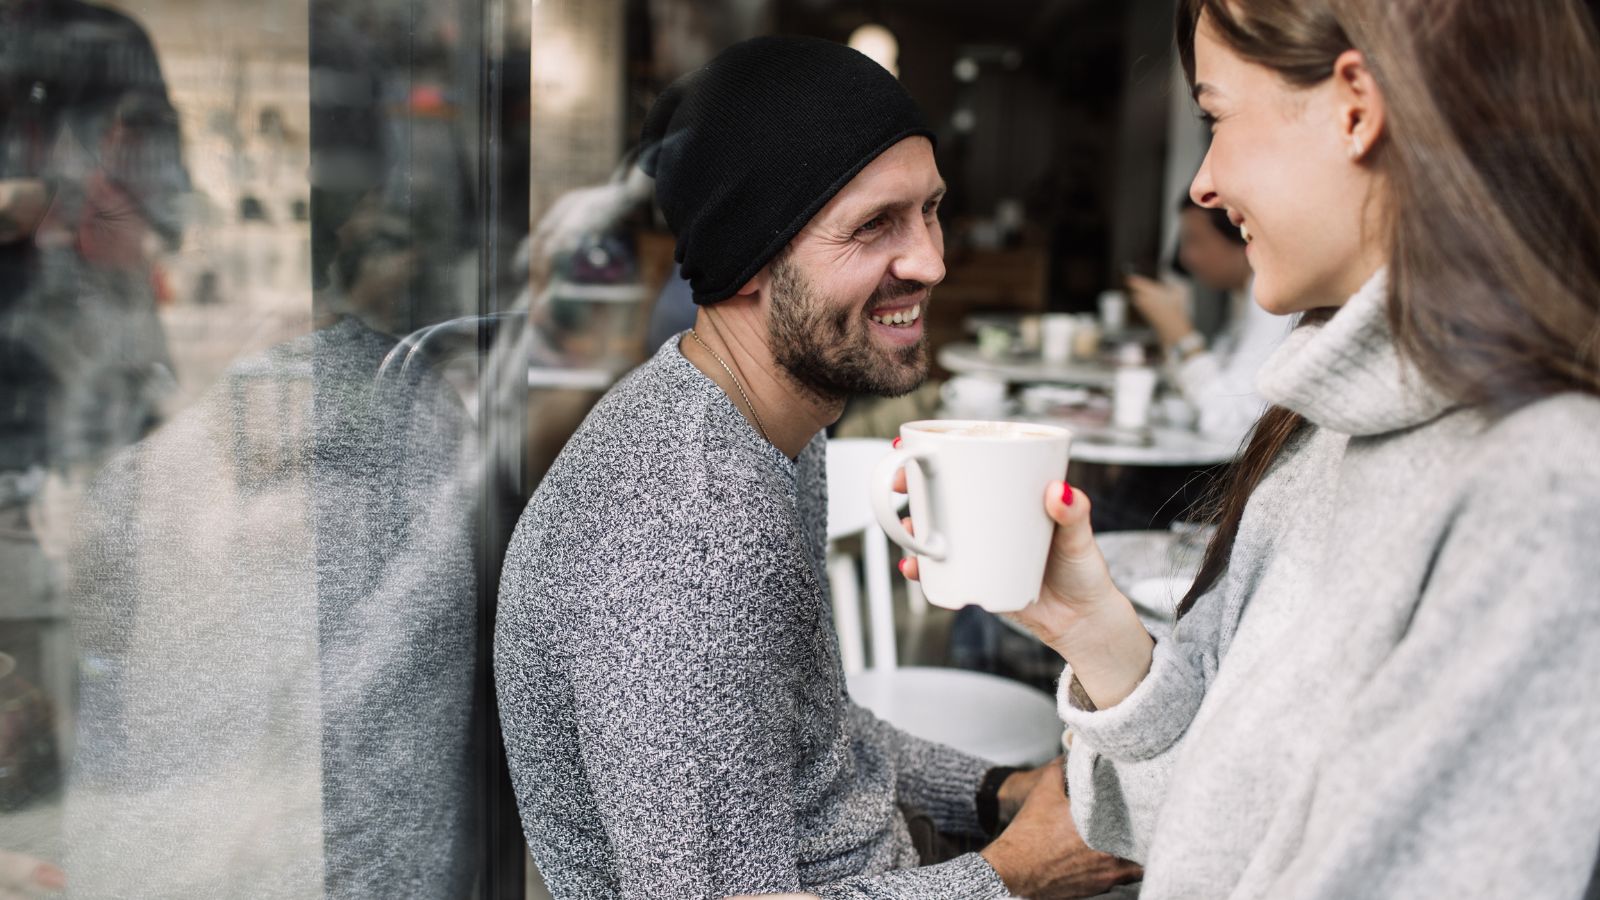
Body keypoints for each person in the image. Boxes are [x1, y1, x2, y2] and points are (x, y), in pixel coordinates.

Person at [901, 0, 1600, 896]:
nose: (1201, 183)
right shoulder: (1321, 430)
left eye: (1217, 117)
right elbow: (1207, 828)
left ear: (1356, 106)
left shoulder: (1541, 495)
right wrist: (1098, 636)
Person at [494, 35, 1139, 900]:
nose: (931, 262)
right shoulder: (685, 535)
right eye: (874, 225)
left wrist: (995, 794)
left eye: (930, 210)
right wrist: (1014, 875)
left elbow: (809, 733)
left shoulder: (761, 428)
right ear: (752, 253)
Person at [1126, 197, 1287, 442]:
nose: (1184, 256)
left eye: (1195, 240)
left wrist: (1181, 335)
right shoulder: (1241, 298)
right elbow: (1199, 398)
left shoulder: (1270, 303)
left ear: (1240, 236)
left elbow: (1227, 419)